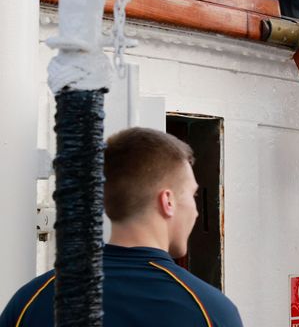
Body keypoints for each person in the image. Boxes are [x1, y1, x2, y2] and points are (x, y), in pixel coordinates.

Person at [0, 127, 243, 327]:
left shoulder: (29, 302)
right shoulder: (210, 311)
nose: (196, 210)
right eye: (192, 195)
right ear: (167, 201)